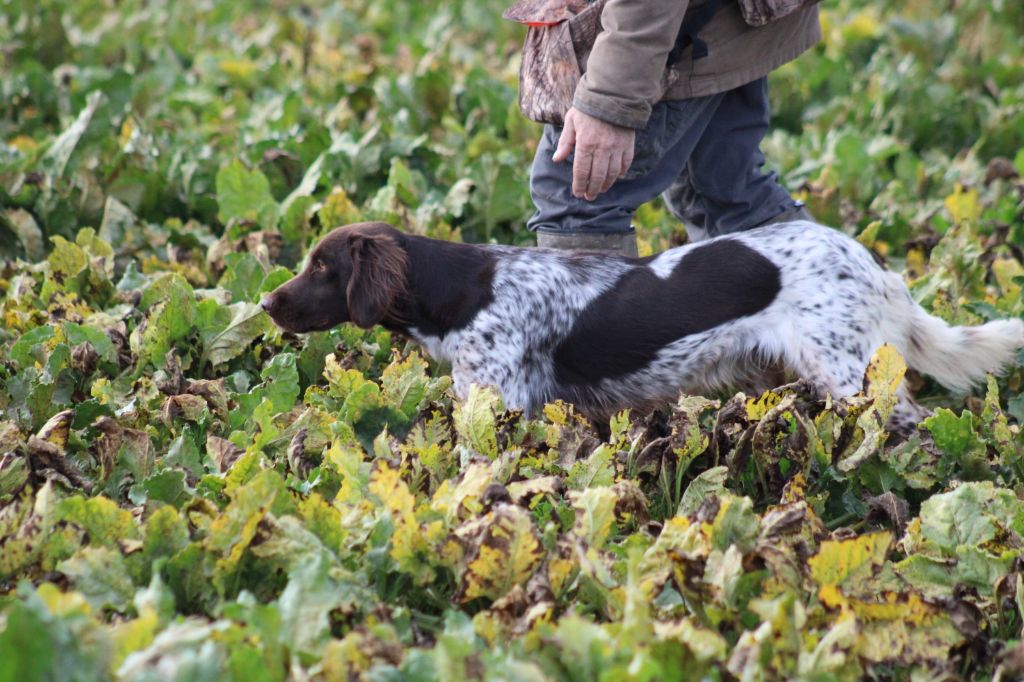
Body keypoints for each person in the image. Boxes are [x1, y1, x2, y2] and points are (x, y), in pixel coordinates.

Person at [526, 0, 821, 256]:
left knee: (576, 200)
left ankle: (596, 324)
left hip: (687, 26)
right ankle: (831, 298)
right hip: (724, 22)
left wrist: (610, 100)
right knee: (724, 188)